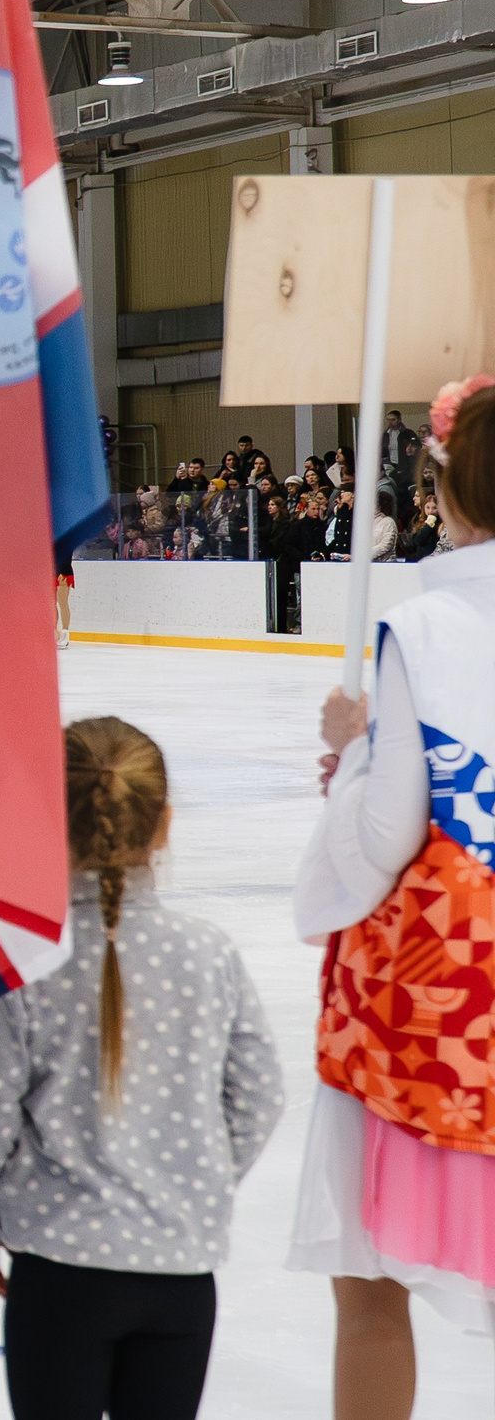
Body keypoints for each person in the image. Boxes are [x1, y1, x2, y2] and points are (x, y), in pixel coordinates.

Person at [0, 716, 285, 1420]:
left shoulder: (23, 963)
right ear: (164, 825)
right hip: (178, 1274)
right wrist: (193, 1180)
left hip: (61, 1270)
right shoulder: (207, 953)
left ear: (48, 823)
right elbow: (259, 1094)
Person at [294, 377, 495, 1420]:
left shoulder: (428, 627)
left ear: (449, 492)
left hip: (445, 997)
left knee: (370, 1281)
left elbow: (382, 841)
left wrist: (357, 752)